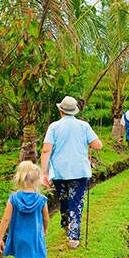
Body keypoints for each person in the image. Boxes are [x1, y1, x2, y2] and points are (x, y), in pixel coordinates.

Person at [41, 96, 102, 249]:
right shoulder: (84, 126)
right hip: (79, 170)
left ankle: (66, 225)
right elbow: (98, 145)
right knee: (76, 201)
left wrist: (44, 173)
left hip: (60, 171)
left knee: (64, 198)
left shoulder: (54, 127)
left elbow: (46, 150)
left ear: (60, 110)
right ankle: (73, 237)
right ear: (74, 111)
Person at [0, 161, 49, 258]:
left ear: (19, 179)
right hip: (34, 237)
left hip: (19, 238)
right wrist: (44, 230)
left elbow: (6, 219)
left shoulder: (13, 199)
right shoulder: (41, 200)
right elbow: (46, 218)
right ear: (37, 180)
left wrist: (0, 238)